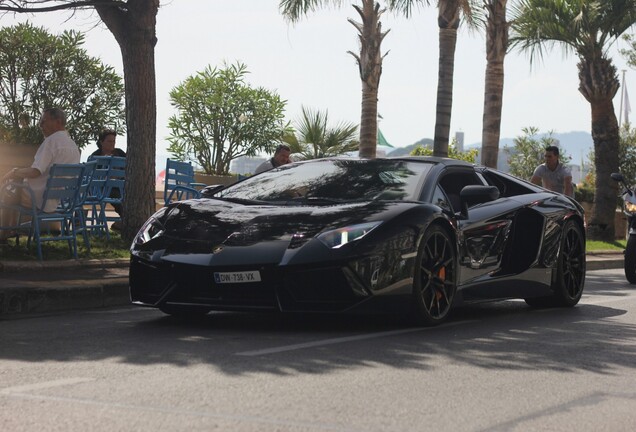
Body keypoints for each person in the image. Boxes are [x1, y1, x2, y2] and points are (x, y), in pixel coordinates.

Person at [0, 108, 80, 244]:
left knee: (7, 189)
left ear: (58, 122)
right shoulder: (73, 146)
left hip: (38, 198)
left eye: (44, 121)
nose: (40, 125)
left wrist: (14, 172)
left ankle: (4, 233)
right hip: (58, 199)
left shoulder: (51, 142)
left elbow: (35, 171)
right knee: (14, 188)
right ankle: (10, 230)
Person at [89, 129, 126, 228]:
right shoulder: (95, 157)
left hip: (120, 187)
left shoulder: (120, 154)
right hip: (100, 189)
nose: (112, 144)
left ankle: (124, 221)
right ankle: (125, 220)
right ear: (101, 142)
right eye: (109, 141)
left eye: (114, 141)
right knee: (114, 194)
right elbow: (91, 176)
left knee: (119, 194)